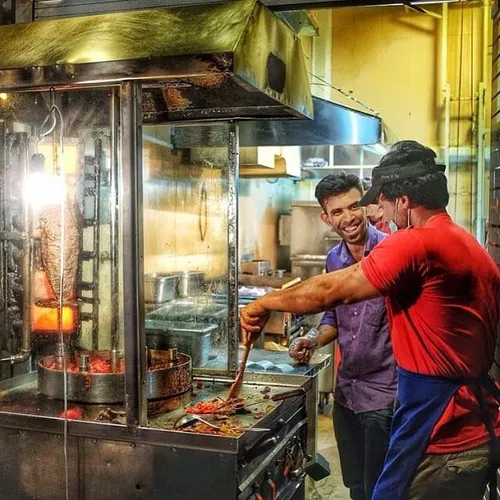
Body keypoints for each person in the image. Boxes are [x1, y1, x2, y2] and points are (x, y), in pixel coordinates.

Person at [240, 140, 500, 500]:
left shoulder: (415, 243)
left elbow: (331, 291)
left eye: (386, 203)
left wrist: (263, 303)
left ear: (405, 201)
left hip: (445, 434)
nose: (383, 213)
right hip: (467, 423)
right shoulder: (465, 243)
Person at [290, 172, 396, 500]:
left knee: (382, 489)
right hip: (346, 393)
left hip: (384, 395)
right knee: (355, 485)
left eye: (354, 207)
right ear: (326, 218)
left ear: (366, 206)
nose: (348, 217)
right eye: (337, 212)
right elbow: (334, 315)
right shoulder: (334, 259)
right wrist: (314, 339)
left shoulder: (391, 250)